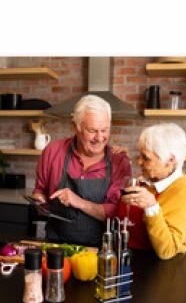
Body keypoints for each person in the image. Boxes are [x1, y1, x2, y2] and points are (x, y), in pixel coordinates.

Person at [32, 94, 131, 247]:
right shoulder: (52, 152)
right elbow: (40, 190)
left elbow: (116, 212)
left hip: (100, 251)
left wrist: (78, 202)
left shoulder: (119, 161)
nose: (99, 138)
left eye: (104, 130)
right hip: (56, 246)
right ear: (75, 127)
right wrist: (39, 201)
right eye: (92, 130)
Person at [118, 123, 186, 259]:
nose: (139, 162)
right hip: (130, 259)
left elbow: (167, 250)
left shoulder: (183, 190)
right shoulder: (146, 181)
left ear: (170, 160)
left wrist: (151, 206)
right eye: (140, 155)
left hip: (157, 269)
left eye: (146, 158)